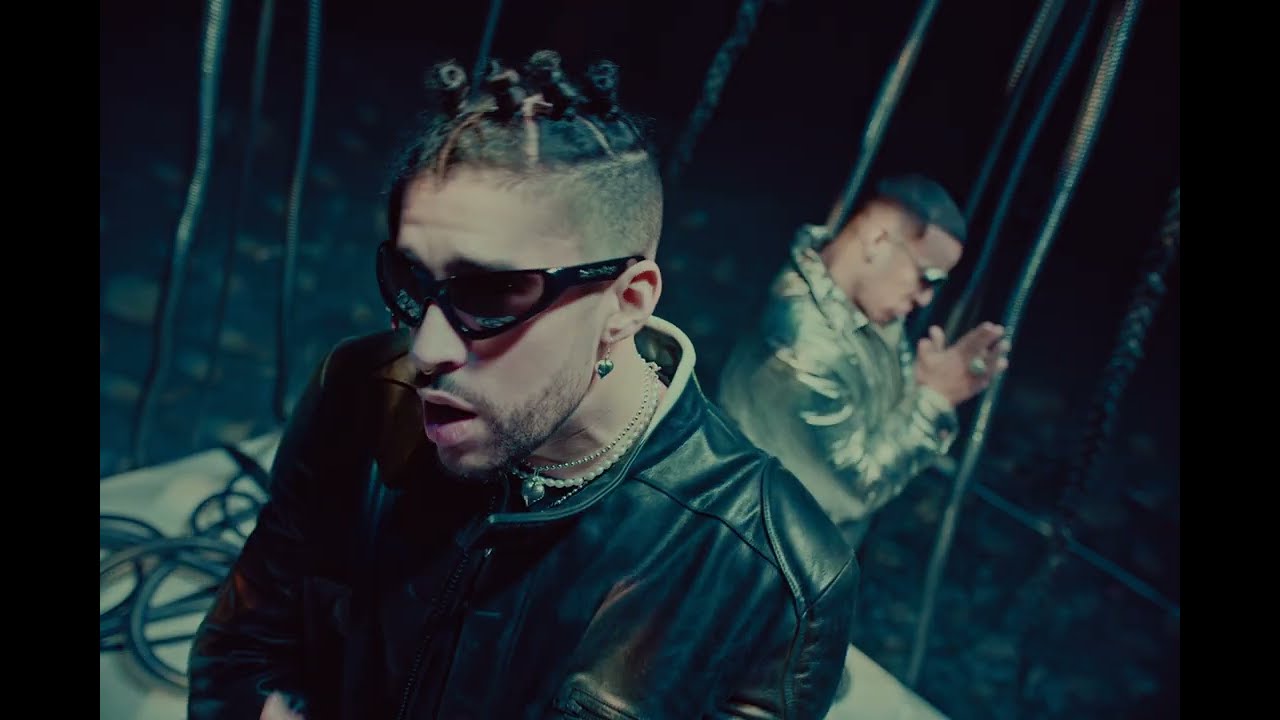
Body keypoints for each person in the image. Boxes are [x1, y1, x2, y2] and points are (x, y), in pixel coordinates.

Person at [187, 50, 859, 720]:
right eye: (410, 281)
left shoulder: (771, 574)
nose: (426, 348)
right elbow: (242, 651)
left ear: (626, 303)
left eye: (492, 293)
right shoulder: (362, 391)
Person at [716, 175, 1010, 553]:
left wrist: (921, 384)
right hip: (749, 558)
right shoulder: (798, 349)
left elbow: (879, 413)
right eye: (926, 277)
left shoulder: (864, 308)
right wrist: (934, 399)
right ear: (877, 240)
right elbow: (851, 492)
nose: (925, 298)